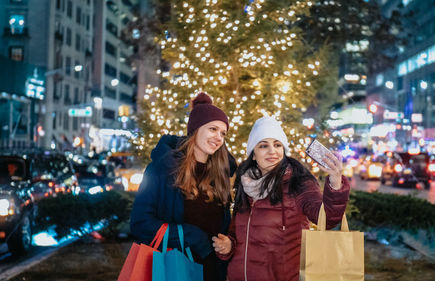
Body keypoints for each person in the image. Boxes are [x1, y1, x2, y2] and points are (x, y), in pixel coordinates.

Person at [212, 116, 350, 281]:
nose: (272, 151)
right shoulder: (245, 185)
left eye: (277, 145)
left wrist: (335, 183)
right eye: (264, 145)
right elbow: (237, 236)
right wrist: (228, 246)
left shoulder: (298, 183)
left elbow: (327, 219)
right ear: (253, 155)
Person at [130, 92, 237, 281]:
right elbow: (140, 223)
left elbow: (225, 226)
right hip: (173, 270)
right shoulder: (162, 168)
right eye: (213, 129)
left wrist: (228, 244)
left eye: (223, 133)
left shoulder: (221, 174)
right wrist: (191, 236)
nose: (218, 137)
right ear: (195, 129)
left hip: (213, 272)